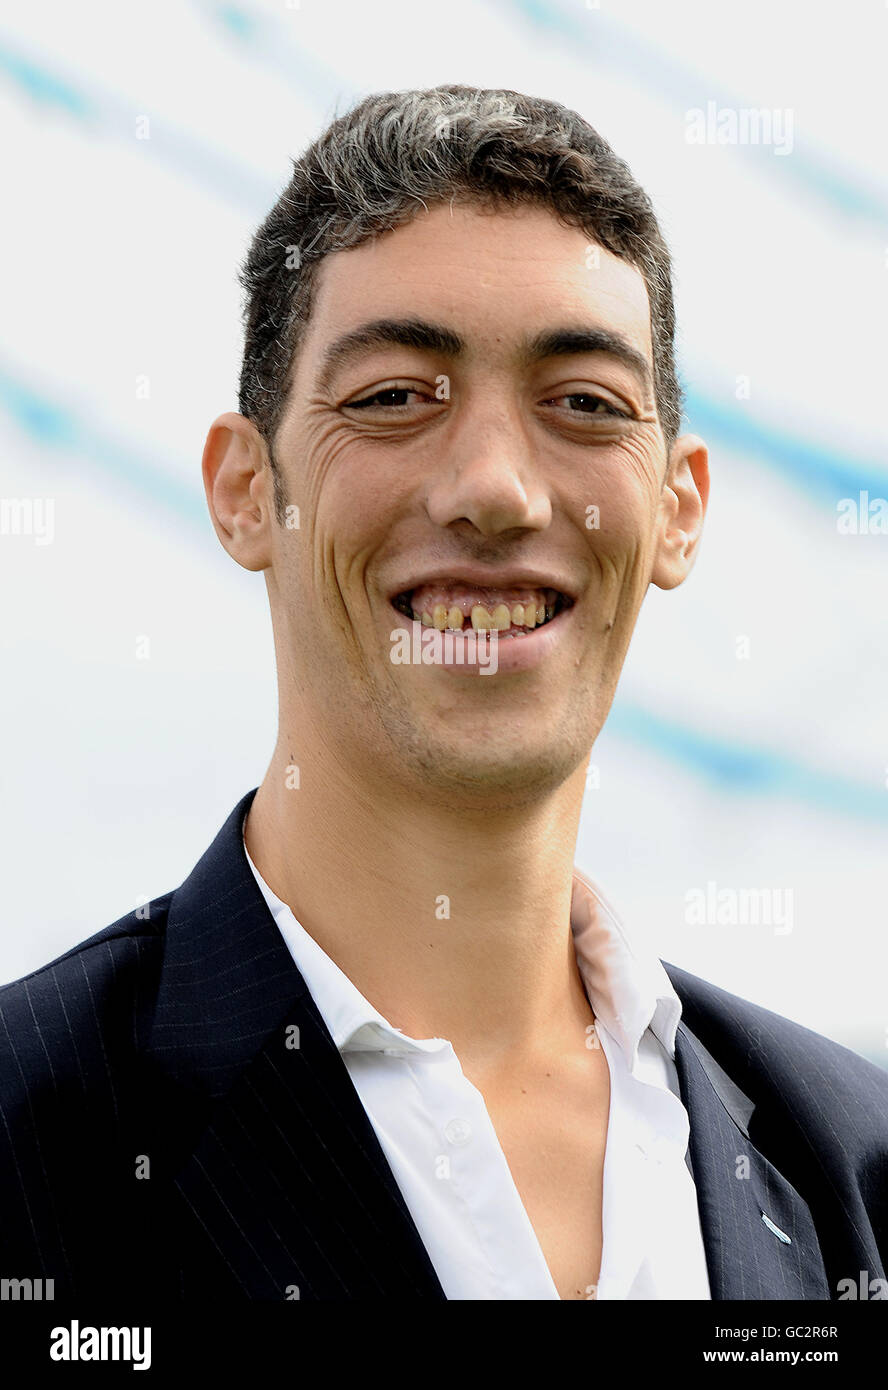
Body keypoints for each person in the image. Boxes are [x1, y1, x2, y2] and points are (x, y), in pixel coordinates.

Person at [1, 85, 885, 1303]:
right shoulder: (27, 1131)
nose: (496, 489)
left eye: (583, 403)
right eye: (395, 397)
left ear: (678, 509)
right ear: (246, 490)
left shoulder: (854, 1164)